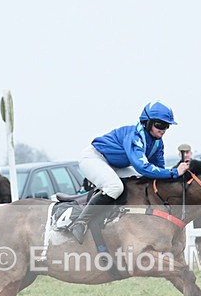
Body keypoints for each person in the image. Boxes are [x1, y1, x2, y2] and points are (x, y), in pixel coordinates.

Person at [71, 101, 190, 243]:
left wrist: (174, 177)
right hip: (94, 158)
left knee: (139, 182)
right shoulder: (135, 136)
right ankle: (81, 222)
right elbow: (143, 167)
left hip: (114, 164)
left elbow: (158, 172)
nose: (163, 129)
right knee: (115, 187)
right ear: (147, 123)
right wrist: (174, 172)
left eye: (167, 126)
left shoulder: (158, 143)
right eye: (160, 125)